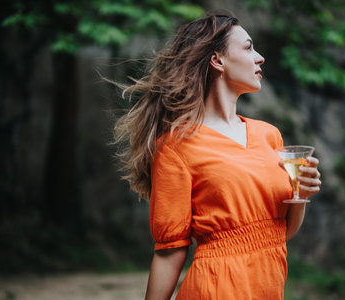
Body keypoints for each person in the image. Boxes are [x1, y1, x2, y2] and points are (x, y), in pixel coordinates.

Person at [113, 14, 322, 300]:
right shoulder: (176, 146)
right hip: (214, 289)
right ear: (217, 60)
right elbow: (170, 251)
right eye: (248, 48)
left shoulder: (269, 135)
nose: (260, 58)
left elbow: (278, 233)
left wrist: (303, 194)